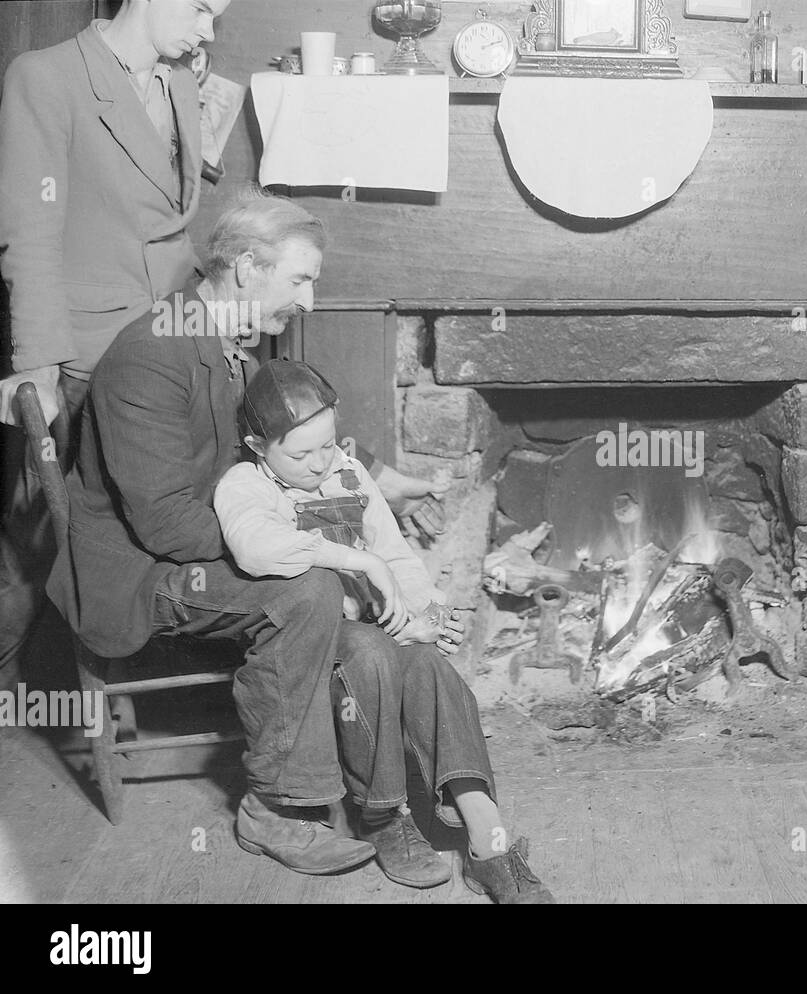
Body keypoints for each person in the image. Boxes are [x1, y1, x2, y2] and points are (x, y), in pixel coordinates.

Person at [0, 0, 443, 694]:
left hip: (177, 326)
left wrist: (361, 475)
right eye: (203, 8)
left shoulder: (177, 80)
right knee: (35, 562)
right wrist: (35, 368)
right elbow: (29, 229)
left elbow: (256, 425)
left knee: (222, 462)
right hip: (86, 350)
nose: (210, 30)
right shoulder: (44, 77)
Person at [46, 193, 378, 875]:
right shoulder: (151, 355)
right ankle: (275, 809)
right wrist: (295, 535)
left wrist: (363, 487)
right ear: (248, 268)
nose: (309, 302)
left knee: (329, 567)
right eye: (300, 279)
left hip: (187, 539)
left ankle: (337, 752)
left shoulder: (228, 348)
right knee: (304, 591)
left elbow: (268, 459)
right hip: (137, 570)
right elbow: (166, 522)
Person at [213, 359, 554, 903]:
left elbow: (395, 553)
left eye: (327, 445)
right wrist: (358, 562)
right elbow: (255, 548)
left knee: (428, 666)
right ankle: (381, 815)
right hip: (310, 643)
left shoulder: (346, 471)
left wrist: (431, 612)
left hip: (371, 620)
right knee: (371, 651)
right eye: (300, 454)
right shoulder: (244, 486)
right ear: (257, 444)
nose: (320, 463)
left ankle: (487, 838)